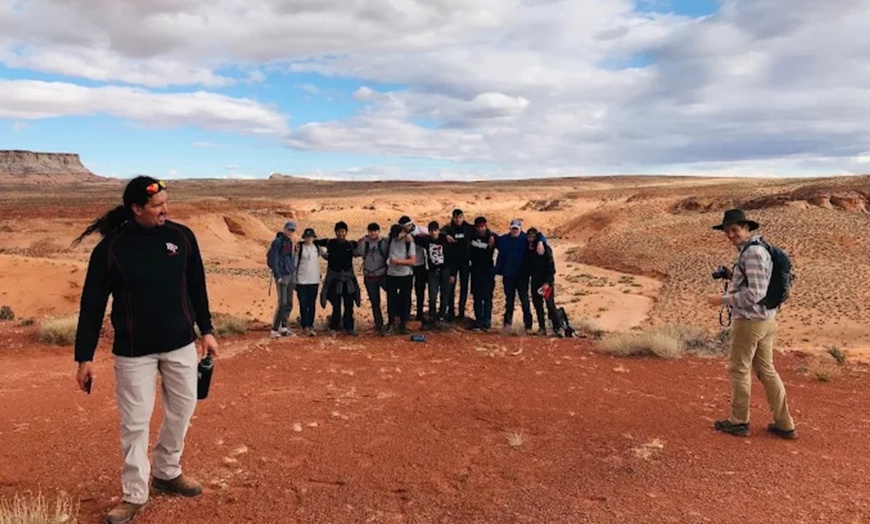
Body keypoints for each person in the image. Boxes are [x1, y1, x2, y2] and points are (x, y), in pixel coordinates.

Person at [70, 176, 218, 524]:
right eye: (156, 205)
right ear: (136, 209)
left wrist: (207, 330)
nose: (164, 209)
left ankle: (167, 471)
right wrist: (84, 357)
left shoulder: (181, 237)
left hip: (181, 343)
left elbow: (197, 285)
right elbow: (91, 305)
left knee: (183, 408)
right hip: (134, 352)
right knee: (136, 423)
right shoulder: (111, 249)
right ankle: (134, 493)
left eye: (166, 202)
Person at [706, 209, 796, 439]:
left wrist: (722, 300)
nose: (730, 235)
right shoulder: (755, 250)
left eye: (735, 230)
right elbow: (757, 283)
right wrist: (731, 275)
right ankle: (785, 424)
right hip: (765, 319)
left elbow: (755, 294)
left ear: (747, 229)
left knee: (739, 369)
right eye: (727, 231)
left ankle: (739, 421)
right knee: (766, 370)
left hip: (750, 321)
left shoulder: (753, 253)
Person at [495, 218, 545, 335]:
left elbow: (540, 236)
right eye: (513, 228)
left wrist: (541, 241)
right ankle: (507, 324)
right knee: (509, 301)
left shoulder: (525, 239)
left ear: (520, 229)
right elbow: (492, 236)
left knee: (525, 300)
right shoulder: (504, 240)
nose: (514, 231)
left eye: (516, 229)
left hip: (522, 276)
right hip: (508, 275)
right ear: (510, 228)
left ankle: (528, 325)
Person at [315, 221, 361, 336]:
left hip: (348, 280)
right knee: (336, 304)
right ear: (335, 232)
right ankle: (334, 327)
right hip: (334, 279)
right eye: (339, 231)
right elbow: (315, 242)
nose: (341, 233)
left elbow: (363, 244)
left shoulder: (350, 245)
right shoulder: (330, 243)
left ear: (346, 232)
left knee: (349, 304)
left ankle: (349, 327)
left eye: (343, 231)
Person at [414, 220, 455, 330]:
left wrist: (452, 274)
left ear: (438, 231)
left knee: (445, 295)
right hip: (432, 272)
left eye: (435, 230)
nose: (433, 233)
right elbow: (415, 236)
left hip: (445, 270)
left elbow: (452, 258)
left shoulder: (445, 240)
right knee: (432, 295)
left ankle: (441, 316)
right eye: (431, 231)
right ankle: (432, 316)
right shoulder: (426, 240)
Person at [524, 228, 562, 337]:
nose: (531, 239)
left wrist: (547, 282)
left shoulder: (544, 248)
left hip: (545, 281)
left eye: (533, 236)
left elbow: (551, 267)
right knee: (538, 305)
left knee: (550, 305)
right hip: (535, 281)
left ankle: (558, 327)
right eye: (529, 237)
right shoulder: (529, 249)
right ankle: (542, 328)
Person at [267, 221, 298, 338]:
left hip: (290, 274)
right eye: (289, 229)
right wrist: (277, 275)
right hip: (282, 276)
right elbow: (274, 260)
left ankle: (284, 328)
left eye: (293, 230)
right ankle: (274, 330)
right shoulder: (277, 241)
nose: (290, 232)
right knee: (282, 303)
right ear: (284, 229)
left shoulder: (289, 242)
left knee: (289, 303)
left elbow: (290, 258)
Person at [357, 223, 389, 334]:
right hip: (369, 277)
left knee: (392, 297)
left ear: (379, 231)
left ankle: (394, 321)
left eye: (375, 231)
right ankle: (379, 324)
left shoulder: (385, 242)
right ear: (368, 232)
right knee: (375, 302)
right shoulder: (363, 243)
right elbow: (355, 252)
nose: (373, 233)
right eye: (371, 231)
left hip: (383, 275)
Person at [444, 209, 475, 322]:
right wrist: (446, 235)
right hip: (452, 263)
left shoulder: (468, 228)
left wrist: (491, 235)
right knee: (451, 287)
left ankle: (461, 312)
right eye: (456, 217)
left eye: (460, 217)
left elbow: (484, 230)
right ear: (453, 218)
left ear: (463, 217)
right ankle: (451, 311)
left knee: (464, 287)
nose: (458, 219)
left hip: (465, 263)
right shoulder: (448, 228)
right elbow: (440, 232)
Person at [385, 223, 416, 335]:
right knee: (391, 300)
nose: (394, 237)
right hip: (391, 275)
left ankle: (403, 324)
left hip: (405, 275)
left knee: (405, 300)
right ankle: (391, 323)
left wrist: (397, 262)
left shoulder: (409, 243)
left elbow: (412, 261)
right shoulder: (391, 240)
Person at [295, 228, 325, 337]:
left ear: (314, 237)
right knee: (303, 303)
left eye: (311, 236)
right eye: (307, 236)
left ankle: (311, 325)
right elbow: (295, 264)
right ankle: (305, 326)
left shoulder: (317, 248)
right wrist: (294, 280)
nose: (309, 238)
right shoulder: (300, 248)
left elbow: (326, 256)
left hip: (314, 280)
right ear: (304, 237)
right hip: (301, 280)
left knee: (311, 304)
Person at [469, 216, 497, 331]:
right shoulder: (471, 236)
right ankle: (479, 321)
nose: (481, 229)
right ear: (476, 227)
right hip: (475, 271)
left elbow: (505, 239)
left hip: (488, 271)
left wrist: (491, 235)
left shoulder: (492, 237)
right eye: (479, 227)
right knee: (477, 297)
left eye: (483, 226)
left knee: (487, 298)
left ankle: (487, 321)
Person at [398, 215, 428, 322]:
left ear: (410, 224)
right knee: (406, 290)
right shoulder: (400, 234)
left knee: (420, 290)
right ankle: (405, 314)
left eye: (405, 226)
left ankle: (420, 313)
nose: (404, 229)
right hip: (407, 266)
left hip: (420, 265)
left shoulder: (422, 230)